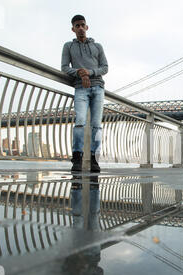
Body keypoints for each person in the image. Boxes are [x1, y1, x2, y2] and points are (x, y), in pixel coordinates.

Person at [61, 14, 108, 172]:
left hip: (98, 88)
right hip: (80, 88)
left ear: (87, 27)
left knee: (96, 125)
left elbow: (105, 67)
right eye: (77, 26)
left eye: (82, 25)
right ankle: (77, 158)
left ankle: (94, 158)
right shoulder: (68, 46)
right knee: (80, 121)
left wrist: (89, 72)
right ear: (73, 29)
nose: (80, 28)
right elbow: (64, 68)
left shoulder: (98, 46)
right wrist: (79, 73)